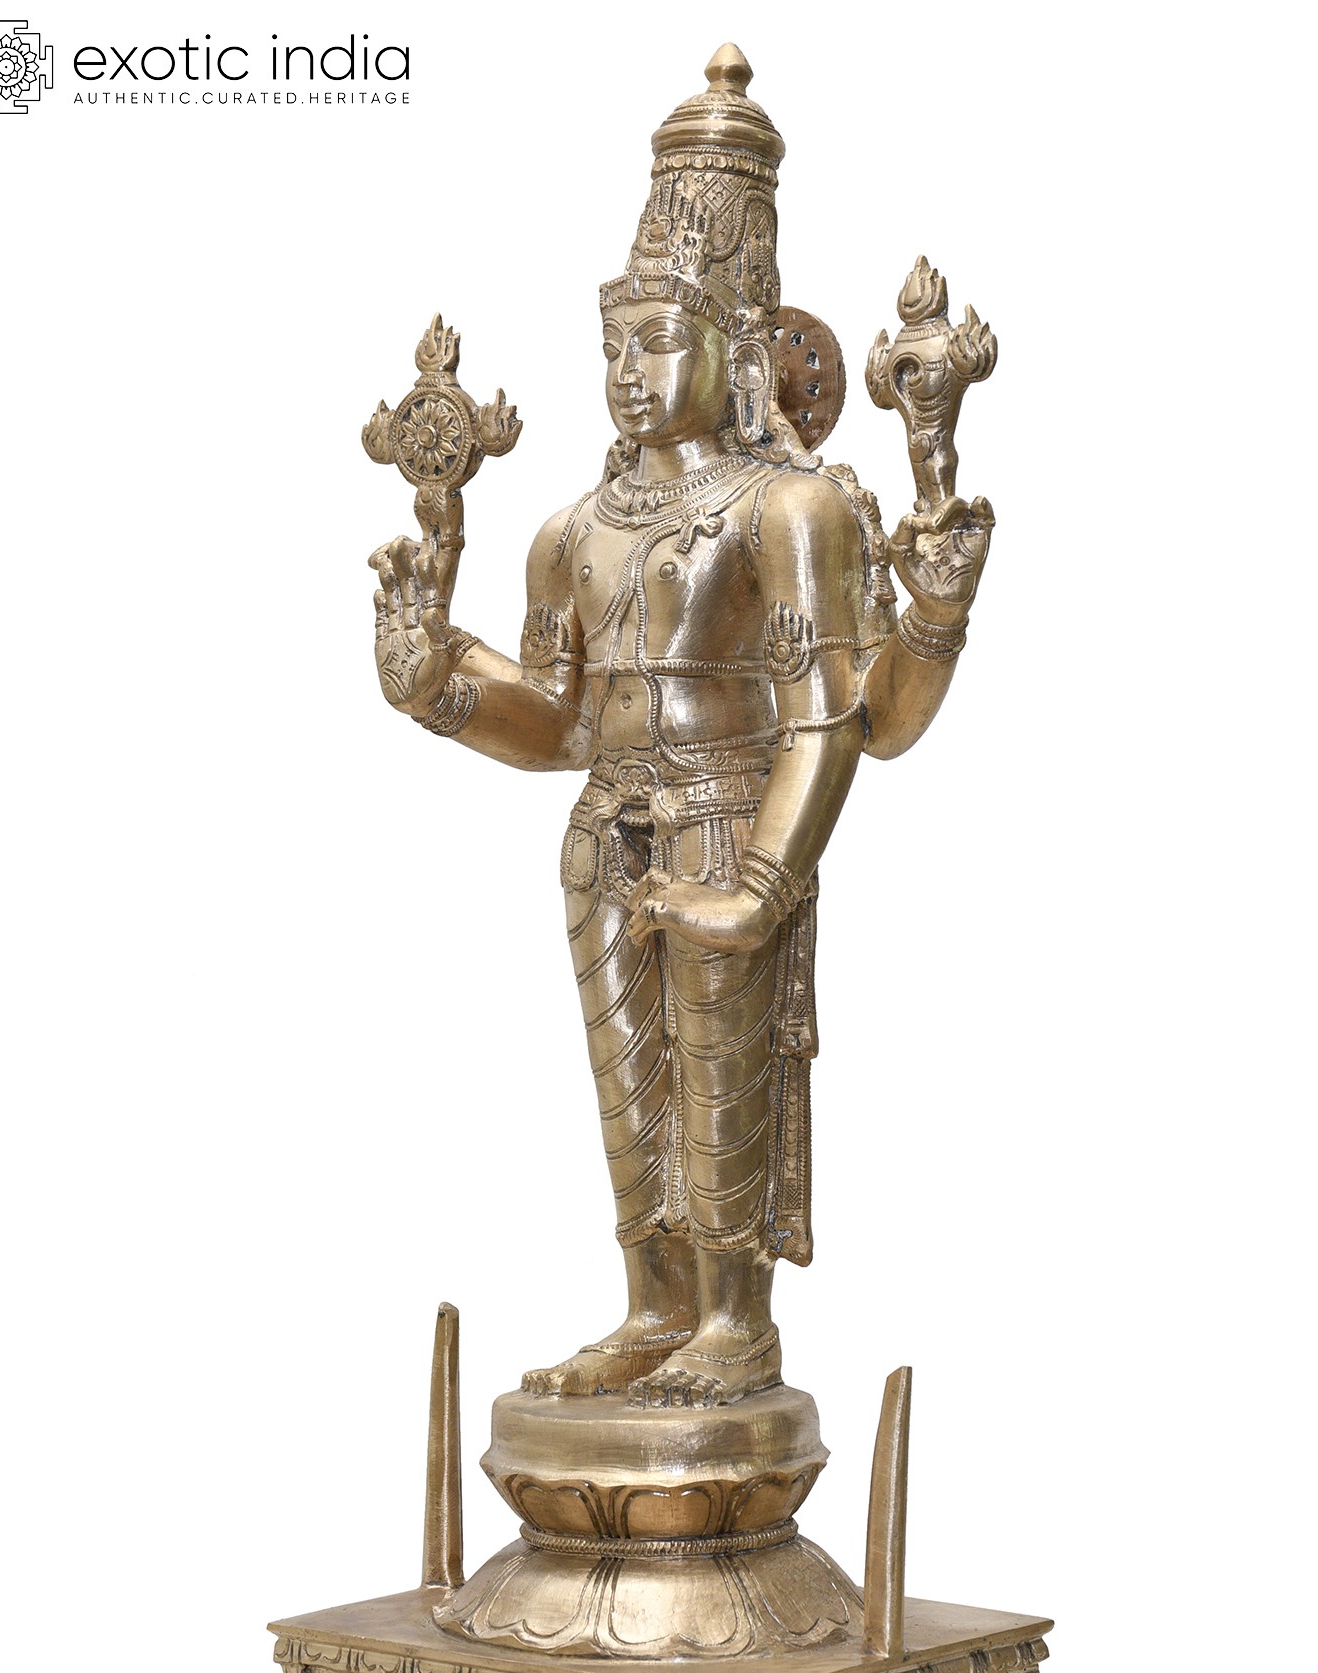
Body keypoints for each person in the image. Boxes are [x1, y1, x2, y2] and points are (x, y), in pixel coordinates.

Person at [369, 49, 988, 1406]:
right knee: (628, 1084)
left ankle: (733, 1320)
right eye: (614, 344)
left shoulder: (789, 509)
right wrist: (439, 684)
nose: (630, 373)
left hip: (725, 819)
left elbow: (843, 723)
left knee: (720, 1073)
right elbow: (562, 723)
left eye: (659, 340)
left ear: (741, 348)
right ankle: (653, 1306)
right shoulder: (570, 531)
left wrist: (762, 884)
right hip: (608, 834)